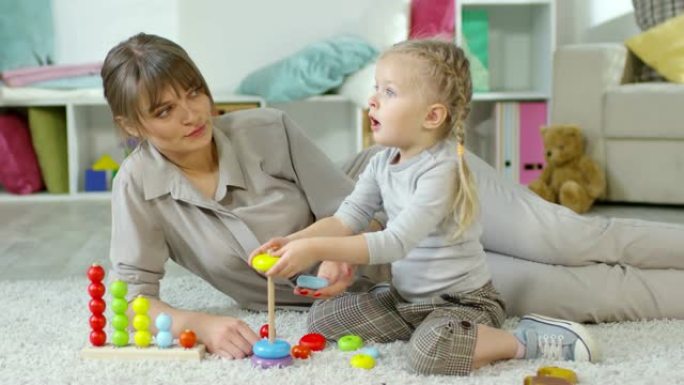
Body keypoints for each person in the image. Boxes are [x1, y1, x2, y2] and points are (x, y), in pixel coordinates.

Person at [103, 33, 684, 363]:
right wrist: (198, 323)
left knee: (569, 238)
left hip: (412, 192)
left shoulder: (265, 128)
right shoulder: (138, 188)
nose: (192, 115)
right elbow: (132, 298)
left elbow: (358, 208)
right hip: (401, 283)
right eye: (164, 110)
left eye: (195, 93)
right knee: (587, 292)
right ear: (132, 126)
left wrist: (324, 250)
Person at [250, 39, 602, 375]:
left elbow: (395, 243)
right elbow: (347, 219)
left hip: (463, 303)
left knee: (428, 355)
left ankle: (523, 341)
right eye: (376, 88)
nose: (372, 100)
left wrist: (313, 248)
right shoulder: (381, 162)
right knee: (324, 319)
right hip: (406, 300)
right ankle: (431, 330)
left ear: (432, 116)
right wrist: (291, 241)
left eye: (388, 92)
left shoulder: (443, 169)